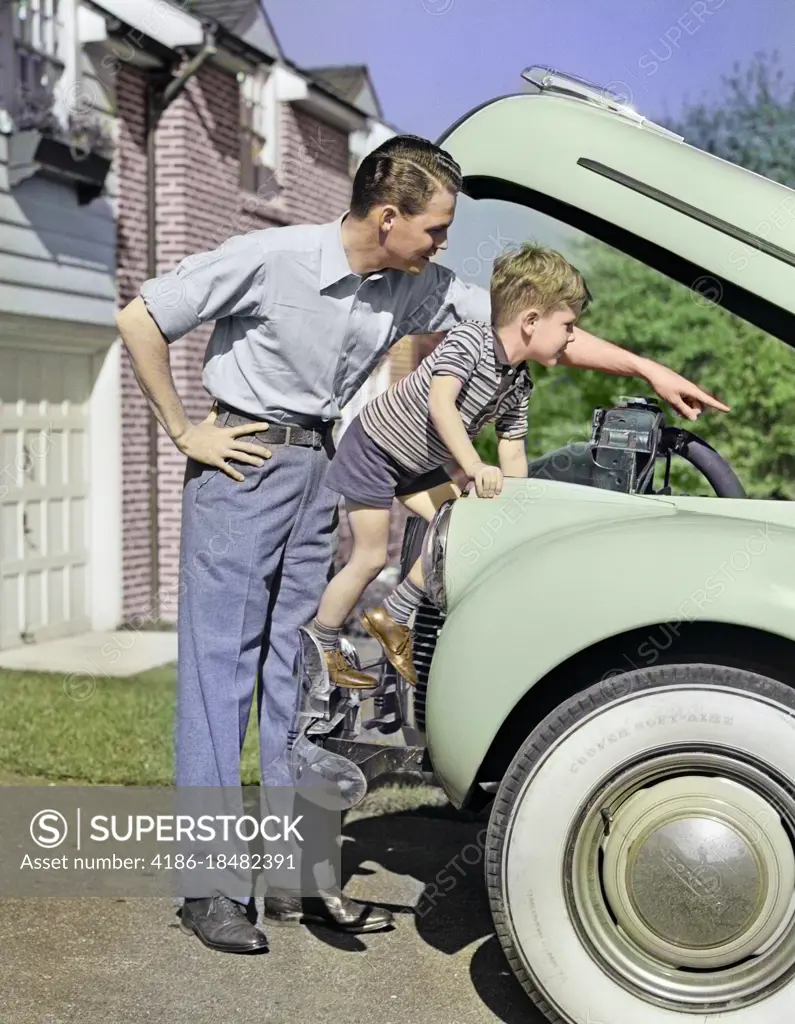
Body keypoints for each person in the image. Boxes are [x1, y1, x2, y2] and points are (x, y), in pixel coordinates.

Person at [115, 133, 729, 955]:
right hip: (241, 461)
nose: (444, 246)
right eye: (436, 229)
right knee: (218, 679)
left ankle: (300, 879)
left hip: (316, 471)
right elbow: (141, 315)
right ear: (388, 215)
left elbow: (536, 330)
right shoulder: (270, 258)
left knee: (299, 676)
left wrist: (645, 369)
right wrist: (185, 431)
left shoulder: (414, 286)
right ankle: (211, 890)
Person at [312, 243, 589, 687]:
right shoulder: (469, 339)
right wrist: (476, 467)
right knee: (368, 557)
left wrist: (512, 511)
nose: (573, 337)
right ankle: (321, 648)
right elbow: (442, 405)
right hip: (376, 448)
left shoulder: (517, 382)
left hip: (419, 463)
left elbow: (513, 451)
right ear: (531, 321)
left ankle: (394, 616)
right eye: (569, 325)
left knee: (464, 534)